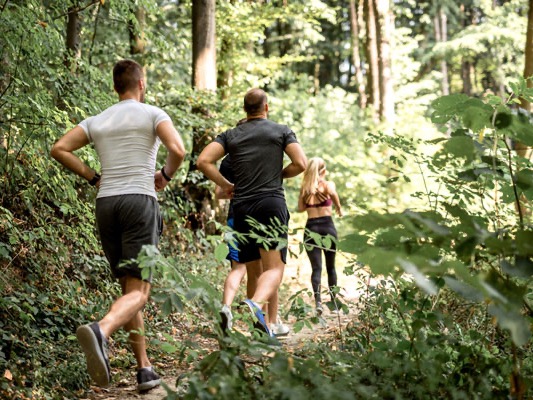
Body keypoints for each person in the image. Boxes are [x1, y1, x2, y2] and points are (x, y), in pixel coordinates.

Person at [50, 59, 186, 392]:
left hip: (106, 204)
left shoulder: (98, 120)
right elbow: (178, 149)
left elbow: (60, 148)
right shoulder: (154, 114)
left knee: (129, 289)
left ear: (115, 87)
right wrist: (165, 176)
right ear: (141, 83)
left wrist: (94, 177)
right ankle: (102, 330)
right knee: (140, 292)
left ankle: (144, 369)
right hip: (139, 201)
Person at [197, 88, 306, 338]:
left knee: (254, 270)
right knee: (274, 269)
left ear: (245, 109)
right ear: (266, 107)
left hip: (243, 209)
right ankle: (255, 305)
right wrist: (279, 174)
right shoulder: (281, 131)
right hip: (270, 204)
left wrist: (226, 185)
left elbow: (203, 161)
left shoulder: (231, 135)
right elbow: (301, 163)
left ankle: (261, 329)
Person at [216, 154, 289, 337]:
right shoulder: (264, 154)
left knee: (241, 270)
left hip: (237, 216)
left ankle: (226, 308)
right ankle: (270, 323)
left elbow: (218, 193)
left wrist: (234, 188)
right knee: (271, 270)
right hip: (264, 210)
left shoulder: (229, 160)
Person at [297, 157, 343, 315]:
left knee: (316, 269)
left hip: (311, 229)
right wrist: (338, 208)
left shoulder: (305, 188)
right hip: (327, 227)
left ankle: (318, 303)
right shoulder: (328, 185)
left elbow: (301, 208)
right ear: (323, 170)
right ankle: (334, 303)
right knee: (331, 267)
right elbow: (335, 198)